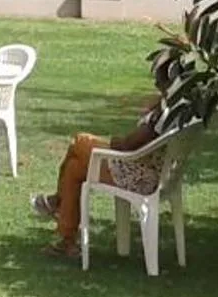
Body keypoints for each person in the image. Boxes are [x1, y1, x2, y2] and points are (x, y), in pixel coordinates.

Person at [31, 103, 163, 255]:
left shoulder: (161, 115)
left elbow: (128, 145)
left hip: (133, 175)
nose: (155, 81)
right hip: (141, 170)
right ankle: (67, 242)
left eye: (159, 78)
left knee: (80, 140)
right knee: (74, 168)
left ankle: (57, 201)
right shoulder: (172, 108)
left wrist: (111, 143)